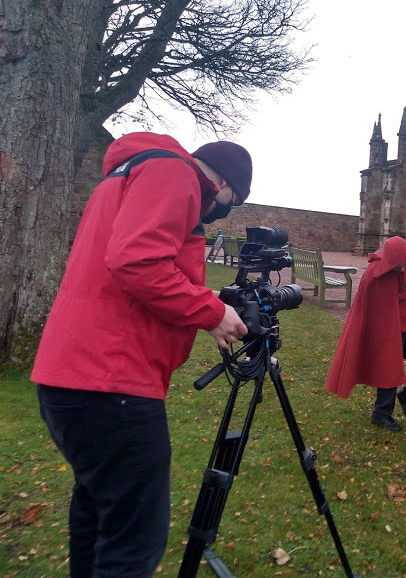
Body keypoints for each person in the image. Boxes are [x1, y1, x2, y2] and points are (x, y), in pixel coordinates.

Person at [31, 132, 253, 578]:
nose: (221, 211)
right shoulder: (175, 173)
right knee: (134, 540)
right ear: (225, 186)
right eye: (233, 200)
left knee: (97, 518)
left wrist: (201, 301)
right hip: (112, 380)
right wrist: (210, 312)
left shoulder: (126, 173)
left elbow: (122, 269)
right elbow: (137, 263)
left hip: (71, 374)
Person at [325, 236, 406, 431]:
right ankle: (381, 414)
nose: (401, 269)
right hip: (385, 321)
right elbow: (365, 307)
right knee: (388, 363)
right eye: (397, 266)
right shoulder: (374, 273)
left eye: (403, 265)